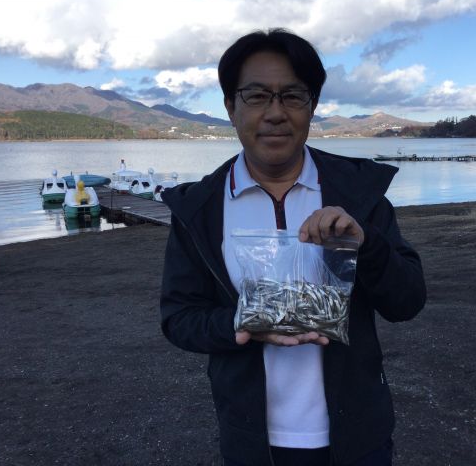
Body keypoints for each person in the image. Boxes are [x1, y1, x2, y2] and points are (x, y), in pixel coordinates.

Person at [160, 29, 427, 466]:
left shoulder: (357, 192)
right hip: (252, 443)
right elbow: (179, 319)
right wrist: (244, 323)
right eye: (256, 96)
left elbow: (408, 301)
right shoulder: (200, 209)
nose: (275, 113)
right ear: (230, 107)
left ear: (312, 106)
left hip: (358, 439)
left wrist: (366, 244)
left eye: (292, 96)